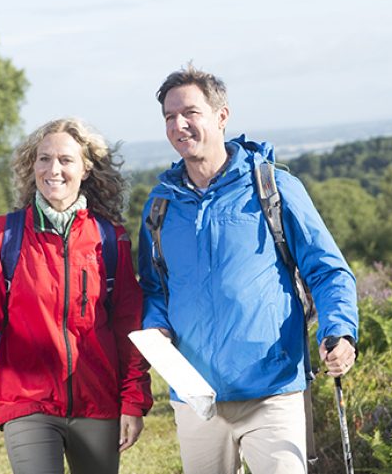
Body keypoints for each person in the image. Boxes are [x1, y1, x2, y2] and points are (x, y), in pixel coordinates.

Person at [138, 64, 359, 474]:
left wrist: (339, 330)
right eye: (169, 117)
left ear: (222, 116)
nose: (178, 125)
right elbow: (154, 289)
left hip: (272, 390)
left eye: (190, 112)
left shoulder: (273, 188)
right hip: (194, 397)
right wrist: (157, 326)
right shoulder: (159, 205)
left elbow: (328, 272)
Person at [0, 118, 152, 474]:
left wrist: (133, 401)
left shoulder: (110, 239)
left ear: (86, 168)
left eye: (65, 160)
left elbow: (128, 326)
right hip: (26, 401)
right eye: (43, 159)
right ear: (32, 167)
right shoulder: (3, 235)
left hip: (98, 402)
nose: (53, 169)